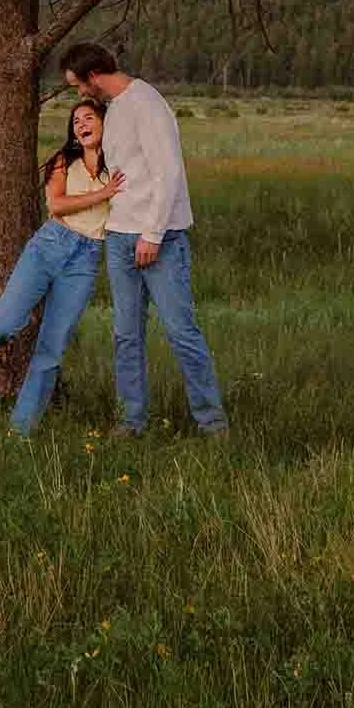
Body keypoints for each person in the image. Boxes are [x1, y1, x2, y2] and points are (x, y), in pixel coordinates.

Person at [59, 43, 228, 436]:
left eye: (78, 87)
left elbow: (167, 173)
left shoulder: (147, 104)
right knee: (126, 334)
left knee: (180, 330)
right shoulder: (114, 108)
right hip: (120, 237)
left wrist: (151, 234)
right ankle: (131, 420)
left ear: (93, 77)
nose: (80, 95)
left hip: (159, 238)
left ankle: (212, 422)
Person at [0, 99, 122, 435]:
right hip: (49, 246)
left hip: (87, 257)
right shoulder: (63, 161)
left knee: (52, 346)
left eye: (89, 117)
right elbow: (57, 205)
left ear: (105, 124)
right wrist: (104, 193)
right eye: (76, 121)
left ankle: (21, 429)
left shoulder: (118, 166)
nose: (81, 124)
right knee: (9, 318)